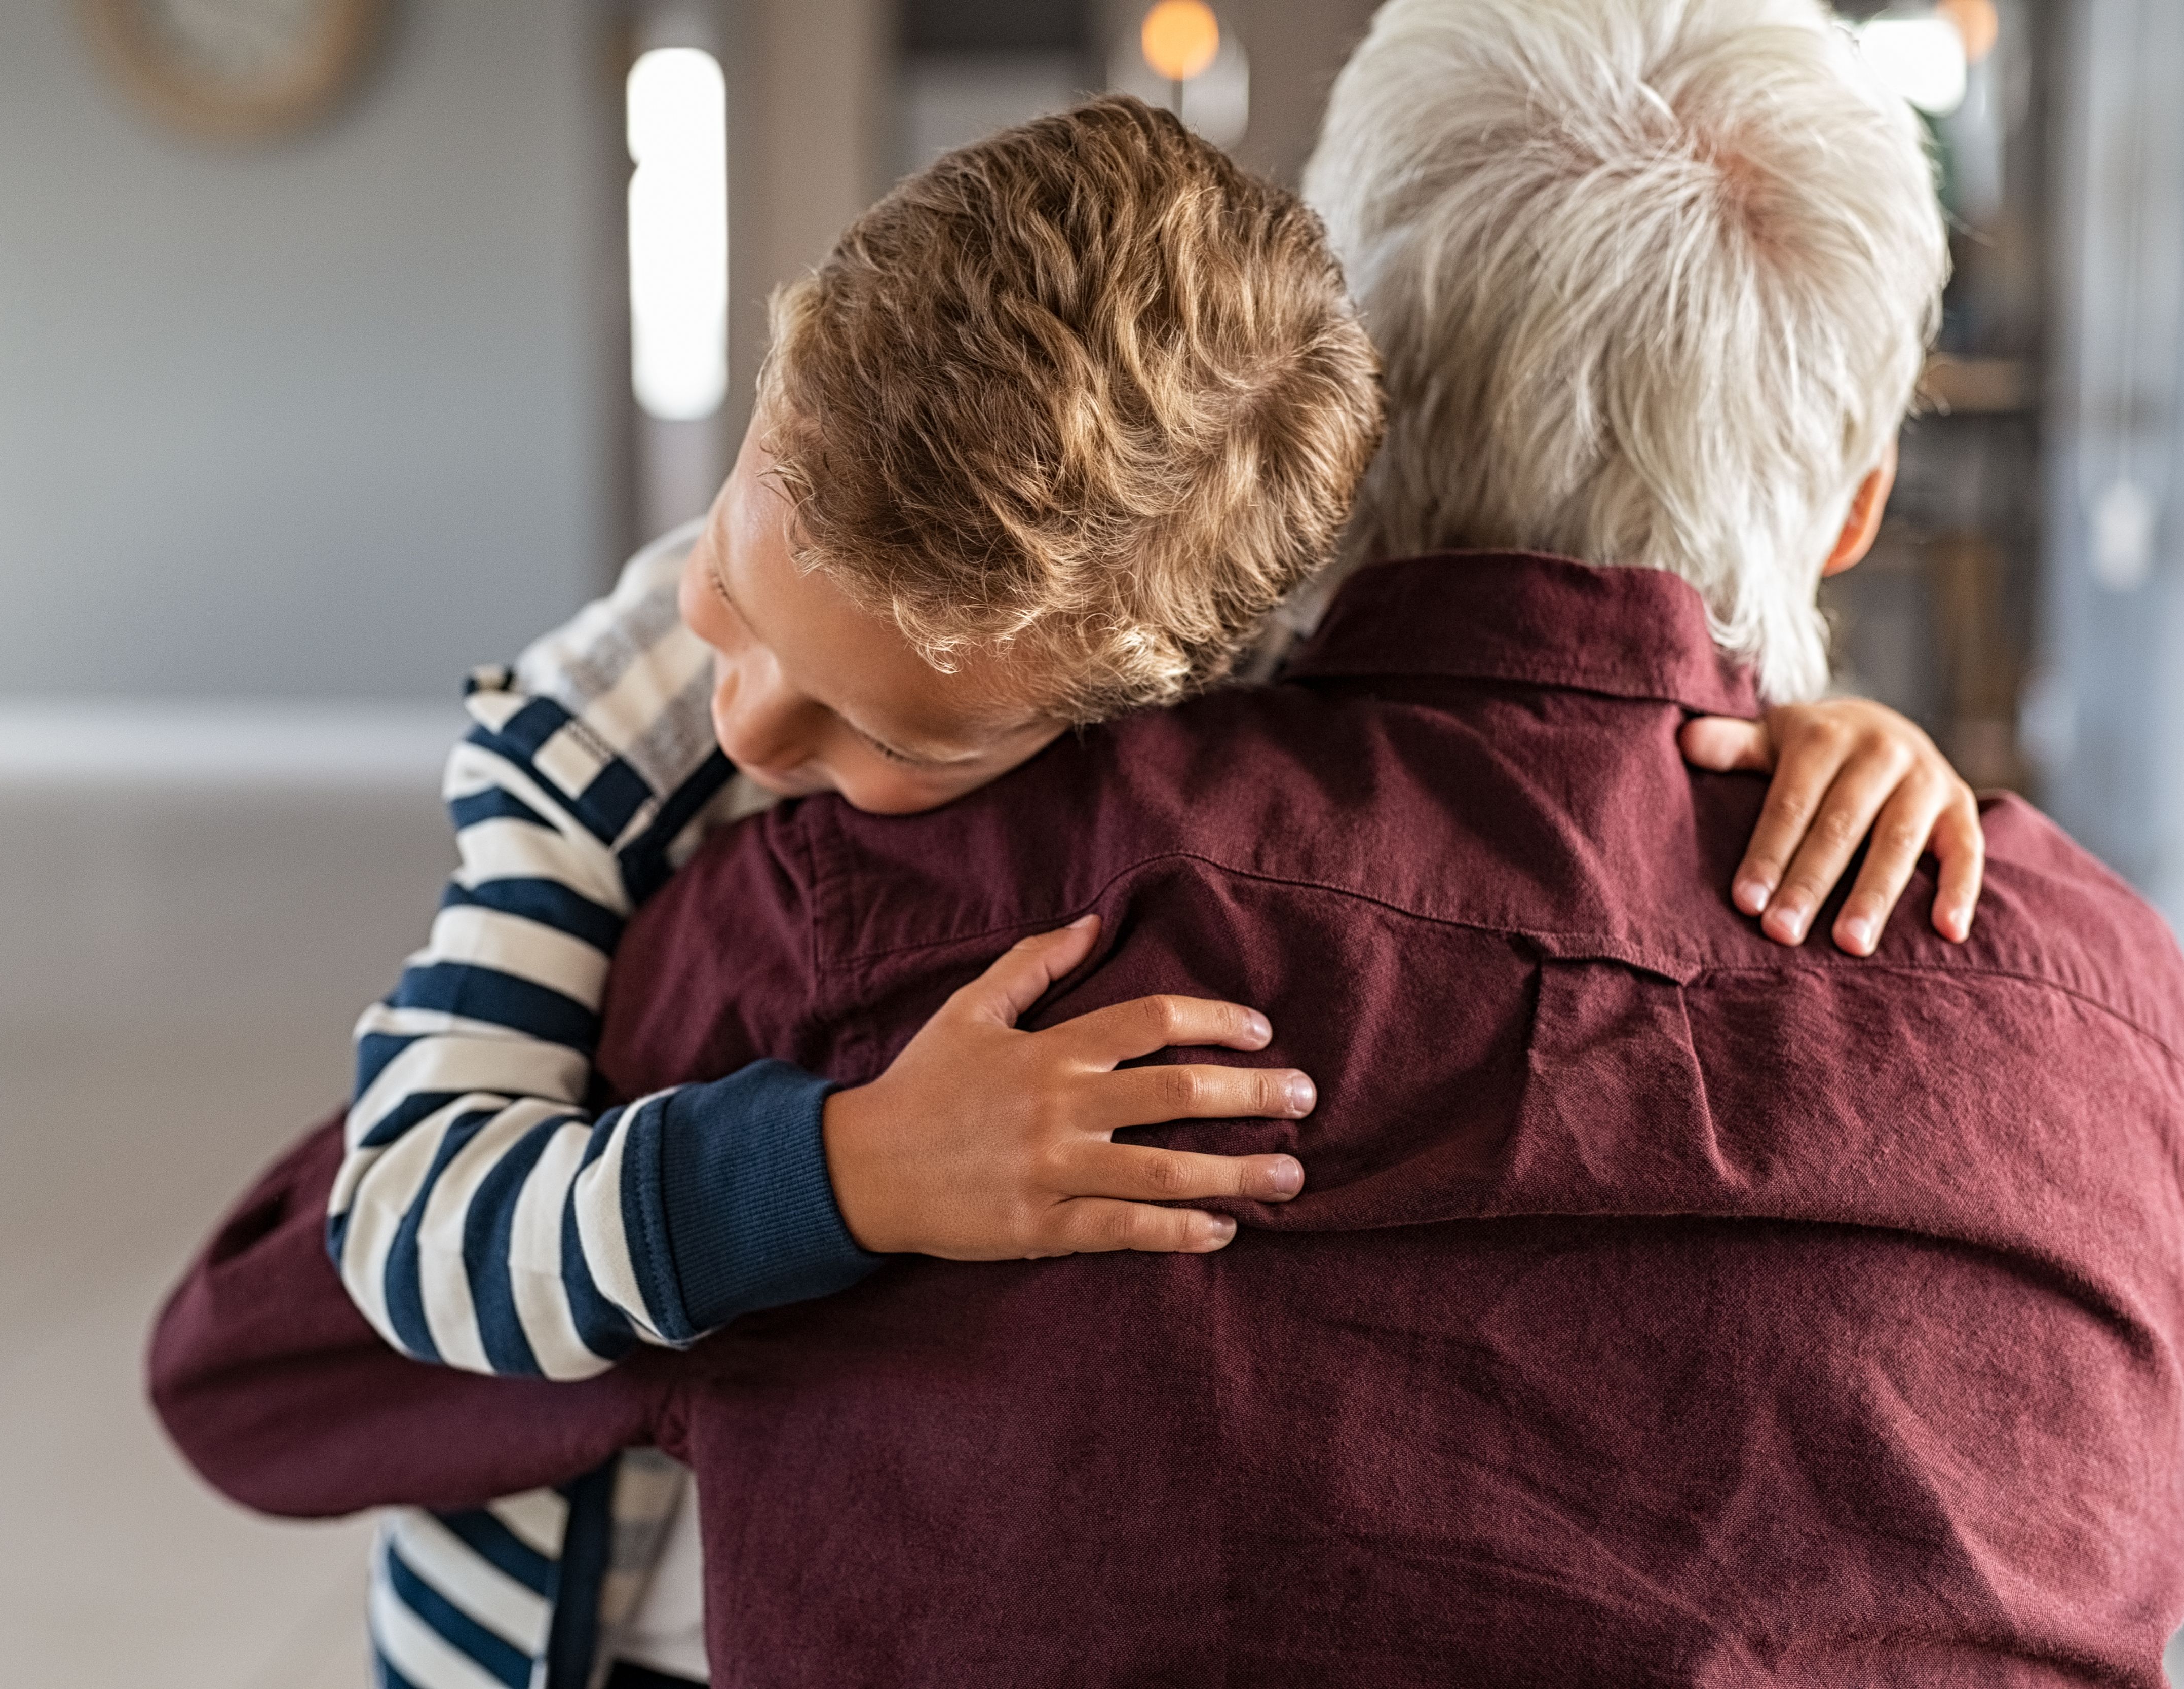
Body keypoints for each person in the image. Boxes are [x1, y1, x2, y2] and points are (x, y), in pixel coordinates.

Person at [151, 60, 2037, 1684]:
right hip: (547, 1636)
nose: (748, 727)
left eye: (891, 735)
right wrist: (850, 1169)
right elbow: (405, 1233)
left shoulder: (1212, 686)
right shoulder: (585, 756)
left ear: (1159, 710)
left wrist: (1820, 722)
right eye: (732, 583)